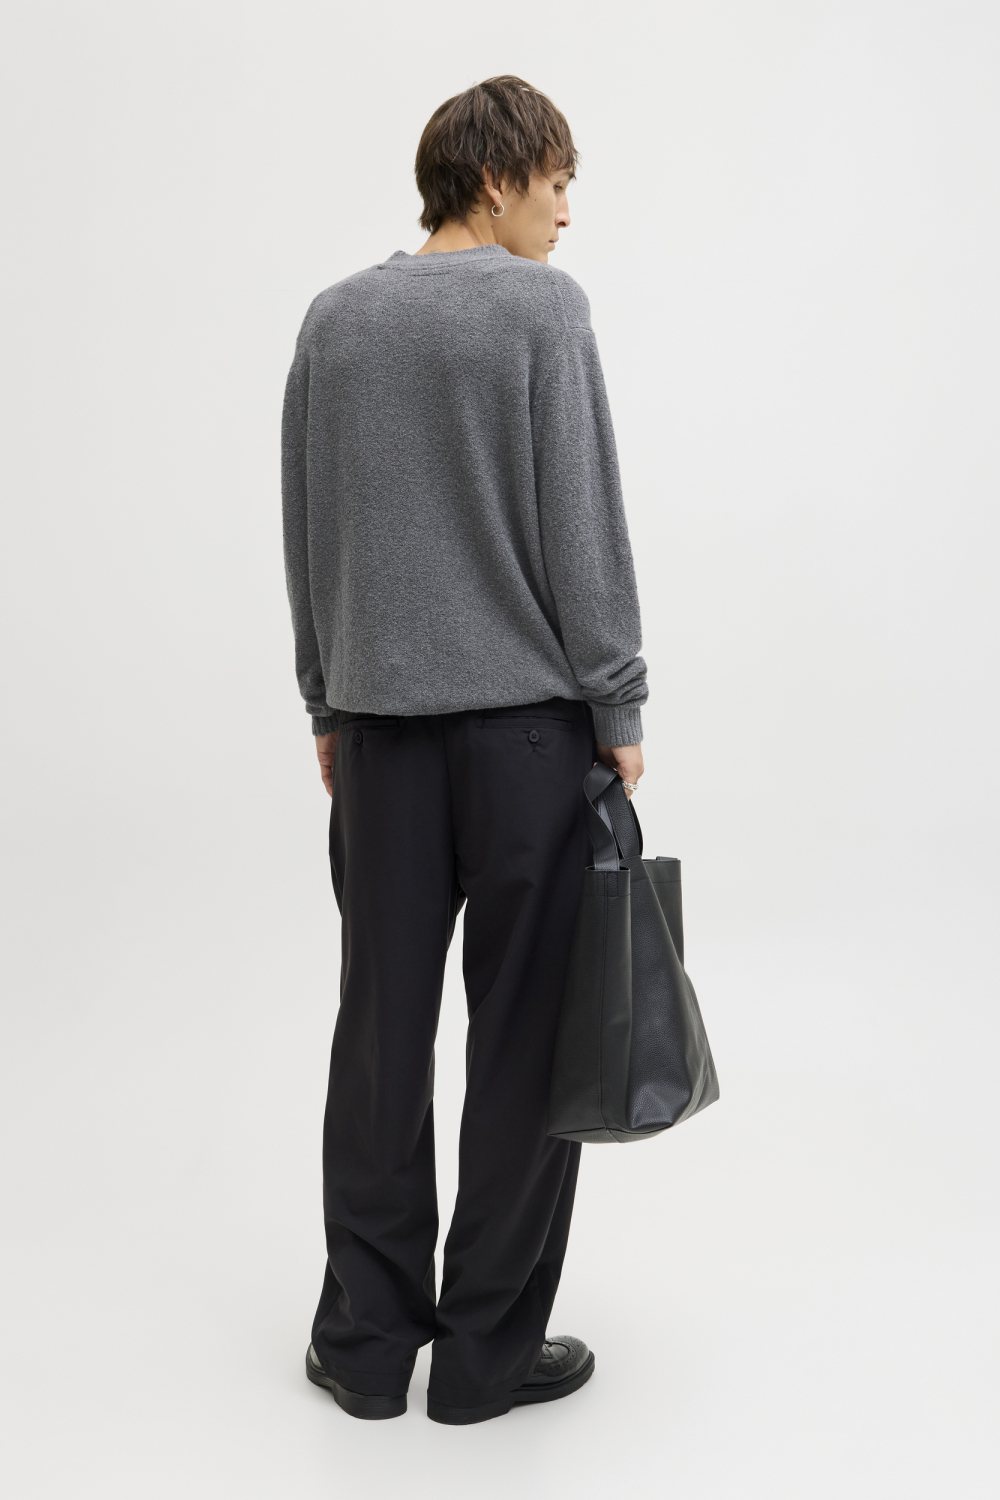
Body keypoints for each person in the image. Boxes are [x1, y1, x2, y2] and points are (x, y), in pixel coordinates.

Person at [281, 75, 647, 1426]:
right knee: (525, 1044)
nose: (566, 211)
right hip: (528, 744)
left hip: (380, 744)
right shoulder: (543, 311)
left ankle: (366, 1345)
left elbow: (306, 528)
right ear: (495, 178)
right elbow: (581, 525)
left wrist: (327, 704)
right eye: (557, 181)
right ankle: (487, 1358)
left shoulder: (335, 320)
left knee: (381, 1038)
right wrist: (618, 707)